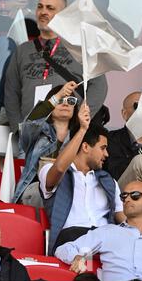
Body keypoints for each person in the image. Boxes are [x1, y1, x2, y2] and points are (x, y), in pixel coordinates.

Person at [4, 0, 108, 141]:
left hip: (67, 133)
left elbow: (99, 85)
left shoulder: (78, 48)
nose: (43, 12)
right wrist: (18, 129)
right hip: (31, 134)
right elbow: (11, 93)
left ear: (63, 14)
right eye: (40, 7)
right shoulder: (22, 51)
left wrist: (81, 117)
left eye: (50, 8)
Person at [39, 104, 126, 255]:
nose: (107, 154)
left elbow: (122, 218)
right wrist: (82, 129)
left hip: (105, 238)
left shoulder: (109, 181)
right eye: (102, 148)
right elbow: (59, 168)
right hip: (72, 237)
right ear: (85, 147)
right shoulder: (49, 170)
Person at [55, 181, 142, 281]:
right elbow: (64, 249)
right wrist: (76, 257)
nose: (127, 199)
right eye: (124, 196)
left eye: (135, 195)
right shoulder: (107, 232)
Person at [13, 81, 79, 204]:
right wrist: (58, 95)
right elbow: (29, 123)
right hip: (35, 191)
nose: (65, 103)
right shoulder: (36, 133)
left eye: (70, 101)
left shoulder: (79, 137)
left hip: (68, 191)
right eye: (60, 100)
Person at [105, 91, 142, 214]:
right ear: (124, 114)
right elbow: (115, 173)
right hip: (124, 193)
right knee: (140, 160)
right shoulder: (111, 138)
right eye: (138, 106)